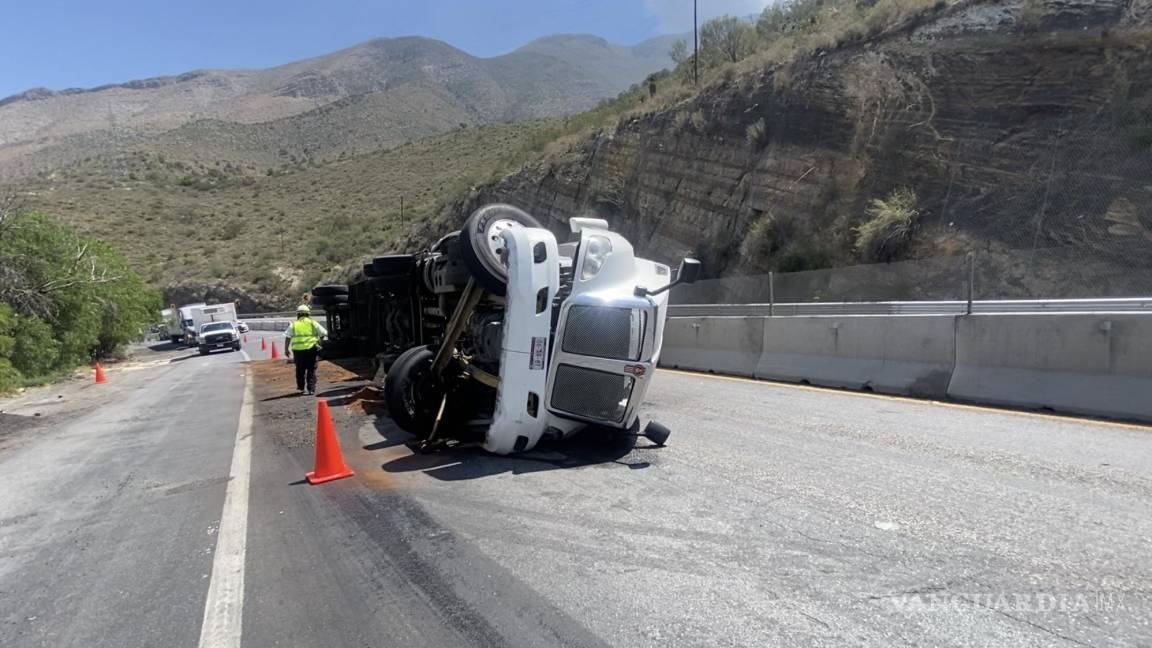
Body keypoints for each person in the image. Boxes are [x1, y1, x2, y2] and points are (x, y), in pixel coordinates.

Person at [283, 305, 327, 395]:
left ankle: (300, 387)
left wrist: (286, 350)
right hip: (311, 350)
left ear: (298, 314)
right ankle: (311, 389)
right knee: (311, 369)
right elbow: (323, 333)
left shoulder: (294, 324)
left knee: (300, 369)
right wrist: (319, 343)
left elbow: (287, 337)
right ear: (308, 314)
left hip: (298, 351)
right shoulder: (312, 323)